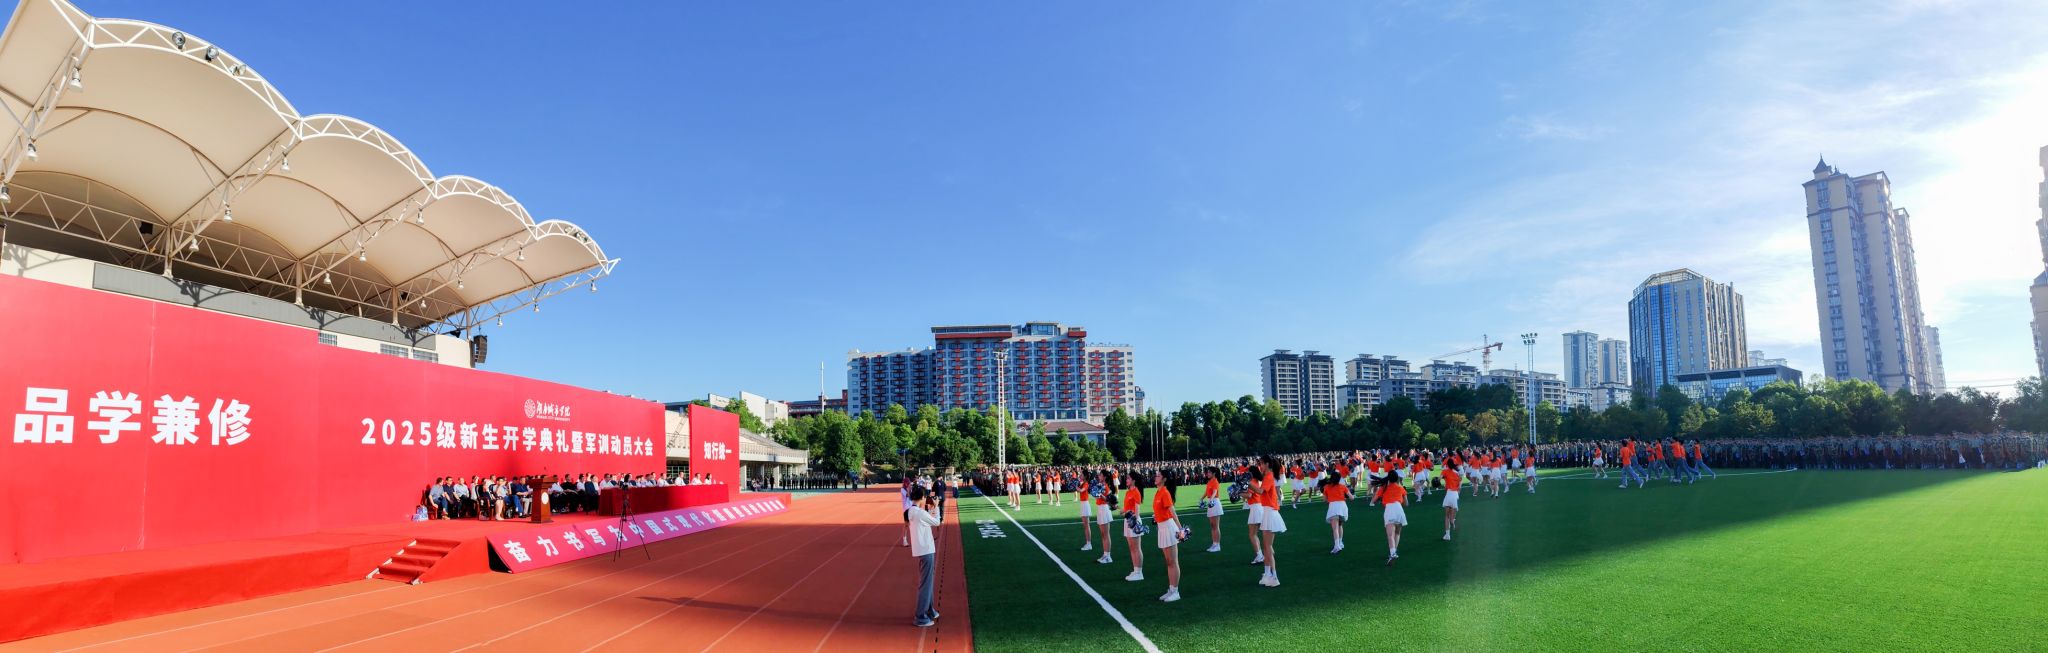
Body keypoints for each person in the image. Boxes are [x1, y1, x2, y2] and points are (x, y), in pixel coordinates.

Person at [907, 485, 943, 628]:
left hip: (921, 549)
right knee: (926, 584)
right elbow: (936, 522)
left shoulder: (911, 511)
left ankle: (929, 610)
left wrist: (931, 508)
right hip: (926, 550)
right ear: (922, 497)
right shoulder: (920, 513)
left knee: (927, 582)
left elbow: (926, 519)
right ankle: (920, 617)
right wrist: (936, 507)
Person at [1151, 468, 1183, 602]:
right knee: (1168, 562)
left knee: (1173, 561)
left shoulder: (1165, 492)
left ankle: (1175, 592)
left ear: (1164, 479)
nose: (1155, 477)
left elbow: (1173, 513)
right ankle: (1171, 589)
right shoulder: (1158, 492)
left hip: (1169, 528)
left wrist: (1181, 529)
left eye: (1158, 476)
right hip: (1162, 527)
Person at [1255, 457, 1286, 587]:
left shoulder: (1269, 476)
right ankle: (1267, 574)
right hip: (1268, 512)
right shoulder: (1267, 476)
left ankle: (1274, 577)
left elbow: (1260, 491)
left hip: (1270, 512)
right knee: (1266, 547)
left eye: (1262, 464)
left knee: (1268, 547)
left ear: (1267, 464)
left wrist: (1248, 484)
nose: (1260, 466)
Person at [1377, 469, 1408, 565]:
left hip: (1390, 510)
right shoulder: (1401, 488)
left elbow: (1375, 499)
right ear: (1397, 478)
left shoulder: (1384, 488)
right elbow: (1406, 504)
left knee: (1390, 535)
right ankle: (1394, 552)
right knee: (1397, 533)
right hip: (1399, 510)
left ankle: (1393, 553)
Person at [1120, 472, 1146, 582]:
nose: (1126, 480)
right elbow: (1126, 508)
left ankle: (1139, 572)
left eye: (1128, 478)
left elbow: (1137, 512)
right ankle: (1135, 570)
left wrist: (1131, 519)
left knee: (1136, 548)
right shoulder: (1128, 492)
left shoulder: (1136, 492)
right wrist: (1121, 510)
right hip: (1127, 521)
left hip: (1133, 522)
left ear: (1133, 480)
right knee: (1131, 547)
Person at [1320, 468, 1350, 554]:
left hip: (1333, 507)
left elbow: (1324, 500)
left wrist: (1330, 499)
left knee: (1335, 528)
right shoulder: (1343, 486)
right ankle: (1340, 543)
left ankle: (1337, 546)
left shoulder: (1326, 487)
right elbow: (1352, 497)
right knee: (1340, 525)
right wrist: (1344, 497)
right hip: (1343, 506)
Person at [1201, 467, 1224, 553]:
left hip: (1215, 502)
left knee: (1216, 525)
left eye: (1209, 472)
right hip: (1211, 502)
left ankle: (1217, 545)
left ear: (1214, 473)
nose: (1207, 474)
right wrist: (1201, 498)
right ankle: (1214, 543)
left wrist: (1211, 500)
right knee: (1212, 525)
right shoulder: (1209, 482)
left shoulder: (1215, 481)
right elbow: (1207, 492)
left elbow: (1215, 492)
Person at [1440, 464, 1462, 541]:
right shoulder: (1457, 474)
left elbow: (1440, 478)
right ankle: (1452, 522)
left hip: (1449, 494)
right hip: (1455, 495)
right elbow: (1459, 487)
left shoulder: (1446, 471)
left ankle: (1447, 535)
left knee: (1447, 516)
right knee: (1452, 517)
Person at [1078, 470, 1097, 552]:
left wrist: (1076, 487)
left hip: (1085, 504)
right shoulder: (1083, 483)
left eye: (1081, 475)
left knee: (1086, 525)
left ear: (1085, 476)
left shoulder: (1086, 484)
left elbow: (1081, 490)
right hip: (1083, 504)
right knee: (1085, 526)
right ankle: (1088, 543)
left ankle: (1089, 544)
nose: (1080, 475)